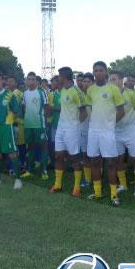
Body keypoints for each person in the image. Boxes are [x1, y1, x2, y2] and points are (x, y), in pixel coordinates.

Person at [86, 61, 125, 206]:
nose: (98, 73)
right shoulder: (90, 90)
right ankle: (97, 192)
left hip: (107, 132)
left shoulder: (113, 89)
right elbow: (90, 108)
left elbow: (121, 111)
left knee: (111, 163)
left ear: (106, 71)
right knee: (95, 161)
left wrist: (111, 123)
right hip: (93, 132)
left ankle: (114, 194)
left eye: (101, 70)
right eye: (95, 70)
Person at [50, 67, 87, 196]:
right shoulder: (62, 90)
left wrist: (76, 125)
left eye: (59, 76)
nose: (57, 78)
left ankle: (77, 188)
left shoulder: (77, 91)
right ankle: (58, 185)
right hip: (61, 127)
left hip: (72, 128)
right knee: (58, 155)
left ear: (64, 77)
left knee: (74, 158)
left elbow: (84, 112)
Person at [109, 71, 135, 196]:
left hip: (130, 130)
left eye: (115, 79)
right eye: (111, 79)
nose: (113, 81)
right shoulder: (108, 95)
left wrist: (131, 120)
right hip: (116, 131)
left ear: (121, 80)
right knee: (119, 159)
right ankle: (123, 185)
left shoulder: (131, 93)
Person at [21, 72, 50, 180]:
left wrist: (45, 122)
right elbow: (24, 107)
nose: (31, 81)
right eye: (29, 79)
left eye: (33, 79)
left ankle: (44, 171)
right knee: (31, 147)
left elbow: (46, 108)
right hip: (28, 125)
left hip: (40, 125)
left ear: (36, 81)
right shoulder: (25, 93)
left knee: (43, 146)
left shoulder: (41, 92)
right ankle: (29, 170)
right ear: (26, 81)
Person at [7, 75, 27, 175]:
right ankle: (18, 166)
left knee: (18, 146)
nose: (9, 83)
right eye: (8, 81)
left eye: (12, 81)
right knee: (16, 146)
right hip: (13, 123)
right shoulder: (9, 93)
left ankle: (18, 166)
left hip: (17, 123)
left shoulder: (17, 93)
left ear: (15, 83)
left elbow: (19, 110)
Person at [79, 73, 94, 187]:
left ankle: (98, 177)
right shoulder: (79, 96)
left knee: (97, 156)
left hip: (96, 130)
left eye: (88, 81)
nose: (85, 83)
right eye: (84, 81)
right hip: (83, 129)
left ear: (92, 83)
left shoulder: (96, 95)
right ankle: (88, 179)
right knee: (85, 155)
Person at [47, 75, 61, 168]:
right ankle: (55, 163)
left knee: (62, 145)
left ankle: (63, 163)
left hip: (63, 124)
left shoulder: (63, 93)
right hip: (54, 123)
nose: (51, 84)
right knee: (53, 144)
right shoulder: (52, 94)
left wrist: (51, 108)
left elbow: (63, 108)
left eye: (53, 82)